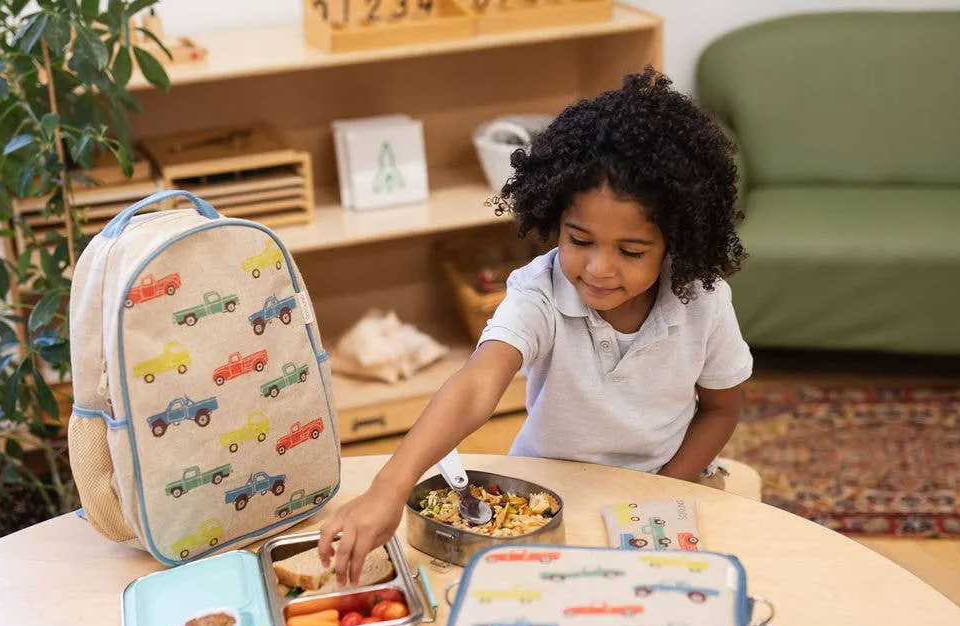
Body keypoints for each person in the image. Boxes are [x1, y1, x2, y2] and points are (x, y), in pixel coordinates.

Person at [319, 67, 751, 585]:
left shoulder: (703, 301)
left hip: (661, 488)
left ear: (676, 242)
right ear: (554, 220)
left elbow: (722, 409)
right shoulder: (540, 292)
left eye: (631, 251)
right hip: (543, 495)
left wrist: (665, 489)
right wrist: (390, 485)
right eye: (580, 240)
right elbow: (477, 384)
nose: (598, 269)